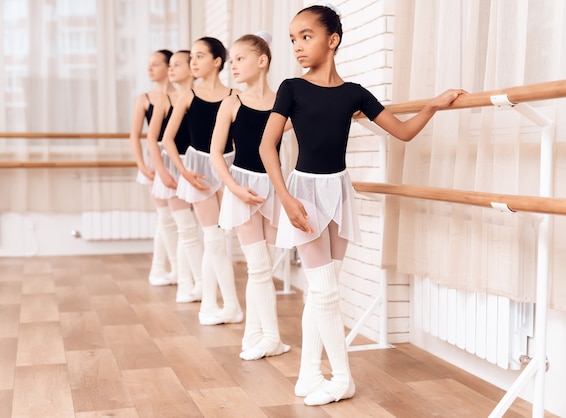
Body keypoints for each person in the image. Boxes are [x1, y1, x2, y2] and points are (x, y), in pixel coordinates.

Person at [259, 4, 466, 406]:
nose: (298, 46)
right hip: (304, 193)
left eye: (306, 36)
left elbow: (402, 132)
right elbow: (267, 145)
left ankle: (307, 374)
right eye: (292, 39)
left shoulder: (354, 94)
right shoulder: (291, 88)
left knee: (324, 291)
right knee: (324, 290)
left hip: (339, 191)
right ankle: (342, 378)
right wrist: (286, 198)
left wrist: (433, 106)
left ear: (331, 40)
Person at [210, 32, 291, 360]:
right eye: (231, 61)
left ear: (262, 61)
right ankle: (271, 338)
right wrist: (234, 188)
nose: (233, 67)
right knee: (257, 266)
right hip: (242, 187)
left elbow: (307, 122)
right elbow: (216, 153)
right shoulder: (232, 103)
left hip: (272, 187)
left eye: (239, 59)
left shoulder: (282, 105)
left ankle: (253, 336)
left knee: (264, 267)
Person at [162, 37, 244, 322]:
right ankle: (221, 304)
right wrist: (183, 171)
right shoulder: (188, 95)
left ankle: (218, 305)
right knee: (213, 238)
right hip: (198, 169)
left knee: (221, 239)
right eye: (192, 57)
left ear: (217, 61)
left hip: (230, 167)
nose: (193, 62)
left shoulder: (236, 95)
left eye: (199, 57)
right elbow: (168, 139)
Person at [148, 50, 204, 302]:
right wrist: (161, 172)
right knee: (186, 229)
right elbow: (153, 140)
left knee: (196, 231)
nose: (171, 69)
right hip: (172, 169)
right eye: (169, 65)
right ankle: (192, 283)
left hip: (198, 168)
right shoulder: (165, 100)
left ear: (192, 68)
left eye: (177, 65)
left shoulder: (200, 99)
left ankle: (192, 284)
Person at [129, 49, 178, 286]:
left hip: (177, 157)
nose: (149, 69)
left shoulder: (181, 97)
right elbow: (134, 136)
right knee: (165, 216)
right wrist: (142, 165)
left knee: (172, 218)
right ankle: (172, 268)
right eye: (149, 65)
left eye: (155, 64)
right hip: (153, 159)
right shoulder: (145, 99)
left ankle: (160, 269)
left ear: (169, 67)